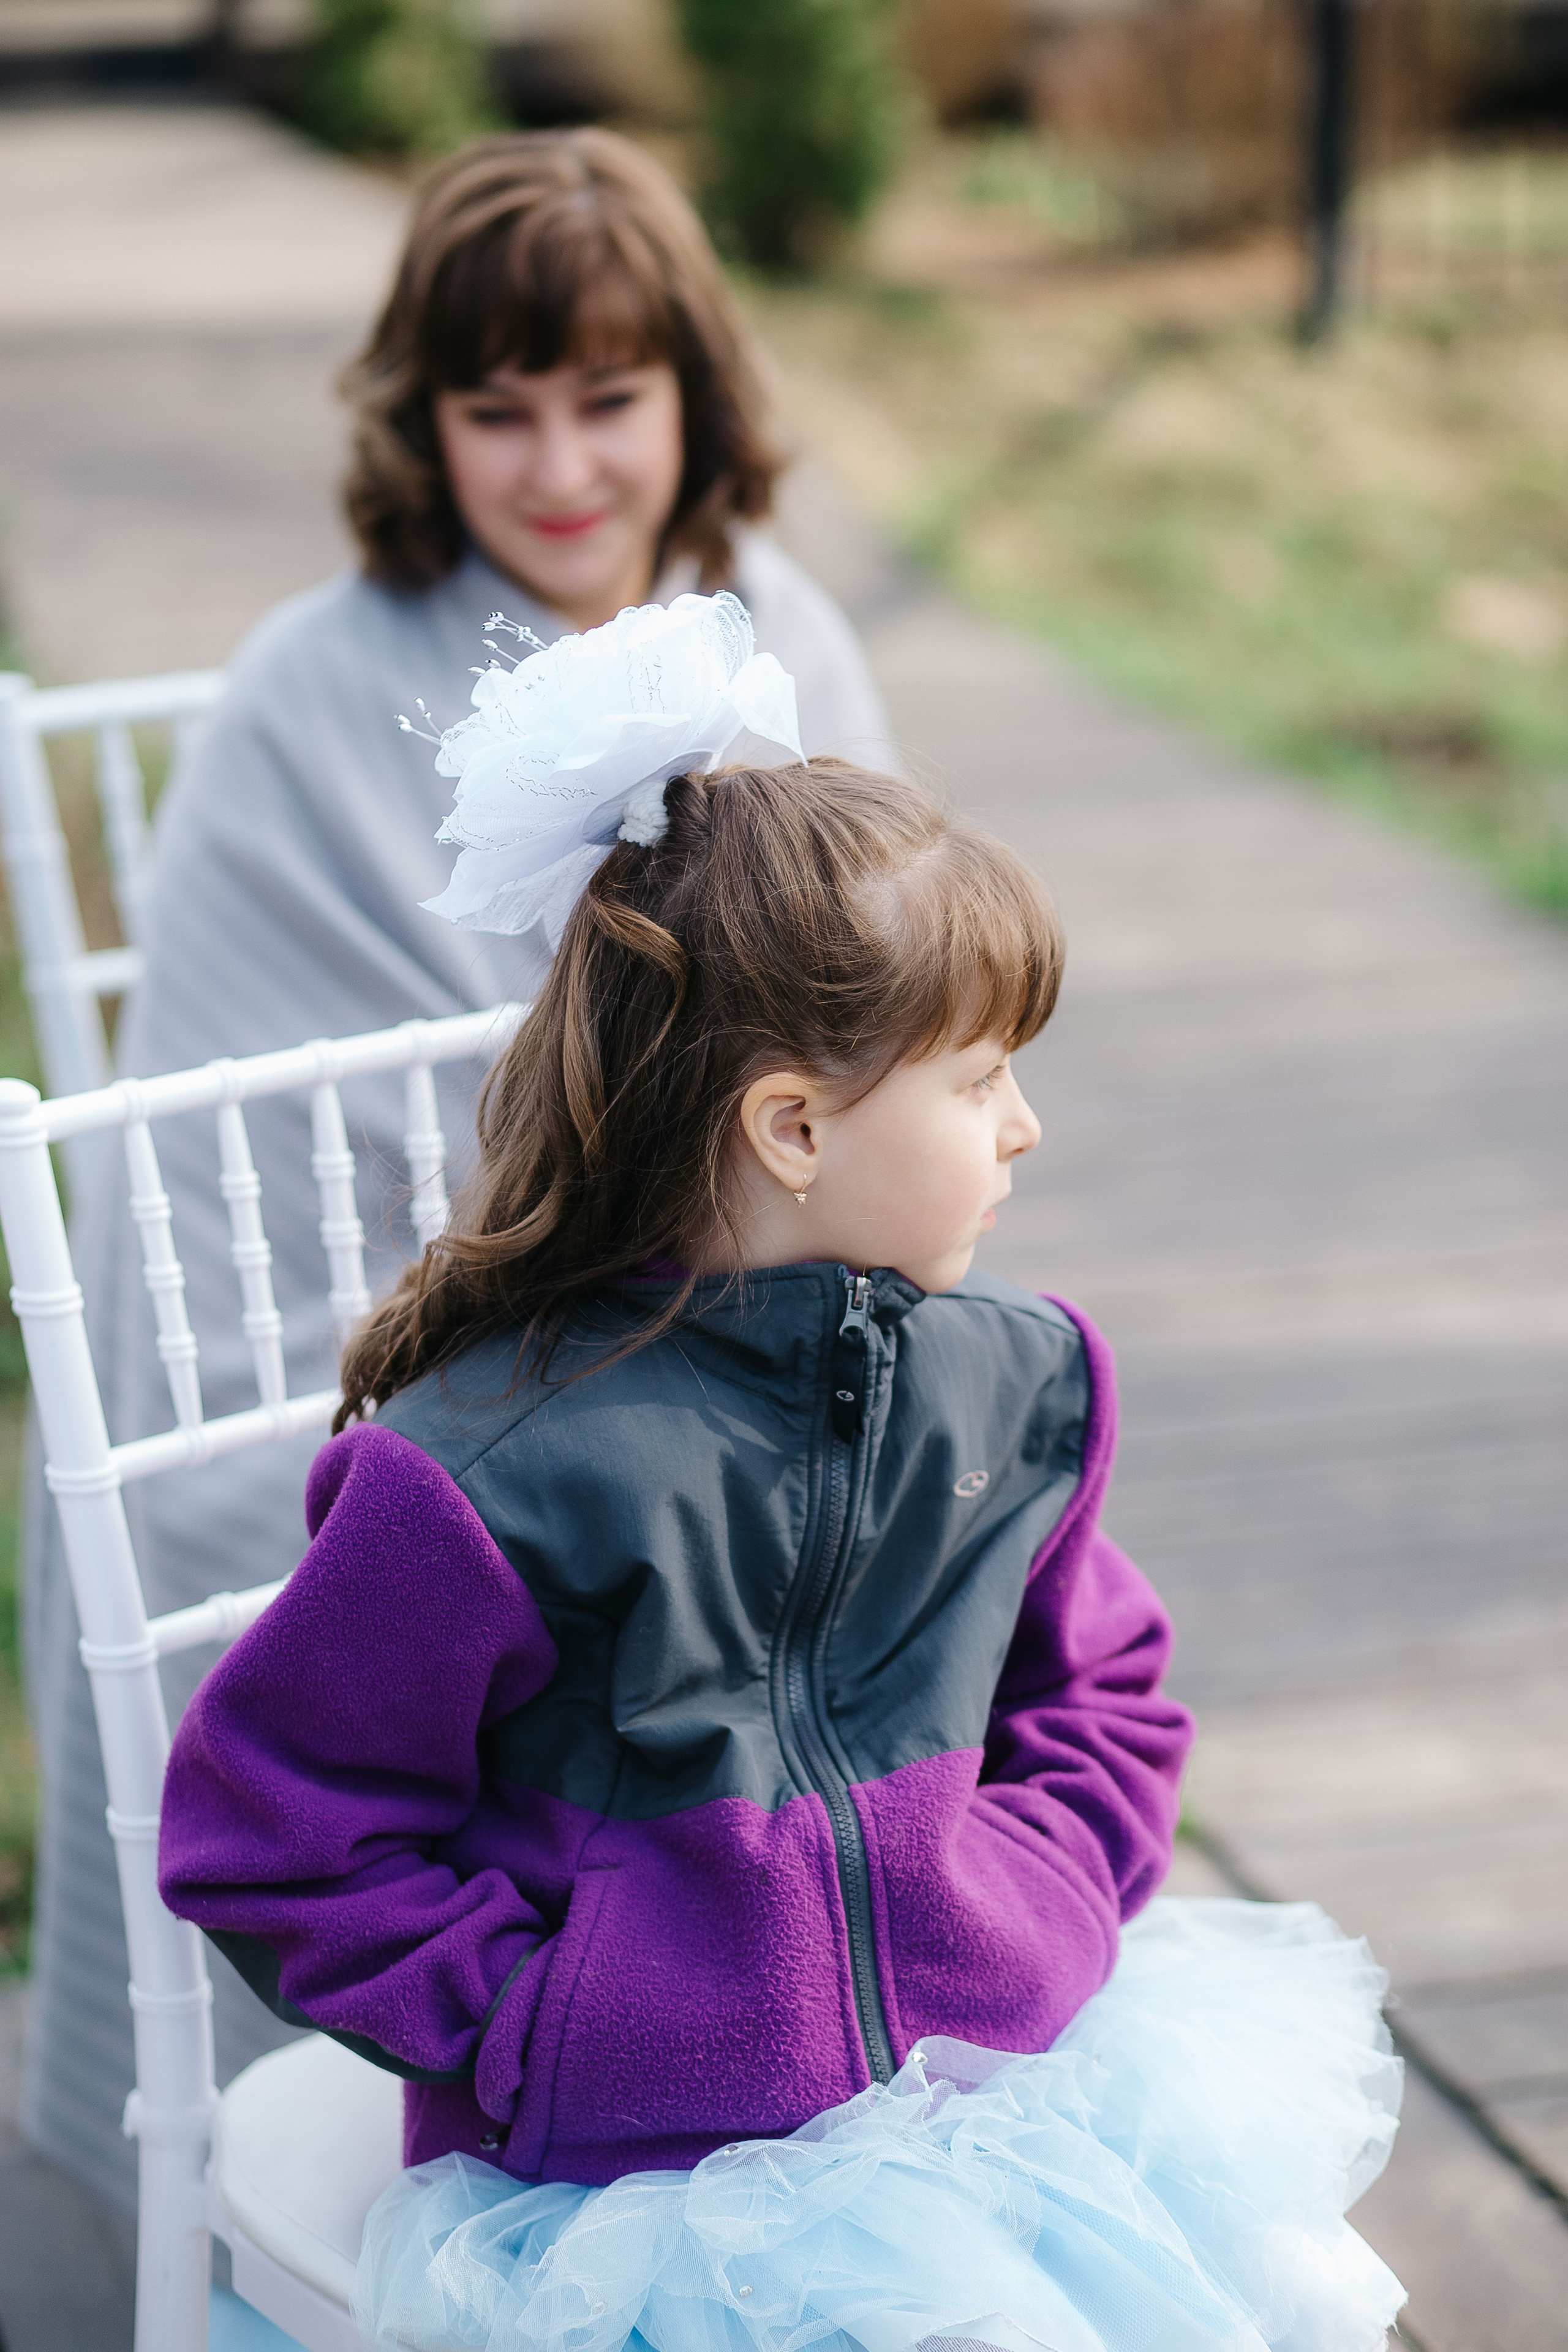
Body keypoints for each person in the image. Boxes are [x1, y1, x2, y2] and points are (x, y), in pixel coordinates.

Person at [159, 598, 1404, 2351]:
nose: (1025, 1127)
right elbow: (275, 1837)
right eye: (980, 1080)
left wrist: (1035, 1898)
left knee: (1296, 2297)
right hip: (639, 2189)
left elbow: (1106, 1697)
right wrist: (546, 2024)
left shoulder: (1017, 1391)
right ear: (796, 1126)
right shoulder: (492, 1472)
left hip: (985, 2088)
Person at [22, 130, 894, 2211]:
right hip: (407, 1359)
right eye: (494, 410)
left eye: (607, 397)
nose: (559, 467)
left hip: (736, 1338)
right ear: (424, 423)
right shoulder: (309, 693)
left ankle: (786, 2052)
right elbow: (222, 1193)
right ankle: (589, 2093)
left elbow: (884, 1043)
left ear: (693, 388)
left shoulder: (787, 645)